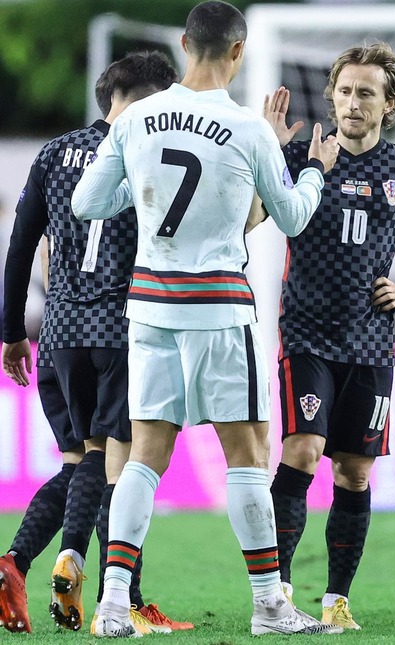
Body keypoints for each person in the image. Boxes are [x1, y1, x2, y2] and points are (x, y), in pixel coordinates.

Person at [71, 1, 341, 638]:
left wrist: (135, 195)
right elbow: (295, 217)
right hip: (219, 308)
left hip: (150, 306)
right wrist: (314, 171)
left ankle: (112, 606)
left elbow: (88, 203)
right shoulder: (247, 128)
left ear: (186, 44)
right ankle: (271, 606)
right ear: (239, 51)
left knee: (145, 455)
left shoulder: (135, 118)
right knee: (247, 454)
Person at [264, 42, 395, 630]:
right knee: (302, 449)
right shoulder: (301, 154)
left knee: (353, 473)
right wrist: (274, 154)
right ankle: (275, 592)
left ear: (389, 104)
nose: (353, 103)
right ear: (332, 95)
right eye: (345, 91)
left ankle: (336, 601)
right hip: (304, 334)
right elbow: (253, 211)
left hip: (371, 343)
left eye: (366, 94)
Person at [0, 52, 188, 635]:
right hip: (124, 330)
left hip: (58, 334)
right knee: (122, 466)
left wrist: (11, 331)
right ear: (154, 99)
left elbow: (21, 244)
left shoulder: (54, 152)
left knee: (82, 460)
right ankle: (95, 576)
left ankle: (16, 562)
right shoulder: (153, 152)